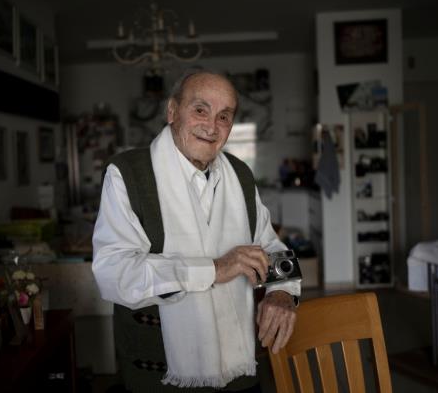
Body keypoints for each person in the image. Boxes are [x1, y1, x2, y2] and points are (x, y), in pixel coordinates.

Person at [92, 70, 300, 392]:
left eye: (224, 116)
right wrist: (214, 269)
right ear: (172, 112)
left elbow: (271, 246)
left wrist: (283, 292)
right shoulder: (127, 173)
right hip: (160, 379)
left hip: (239, 374)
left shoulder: (240, 175)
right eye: (200, 110)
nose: (212, 126)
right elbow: (113, 273)